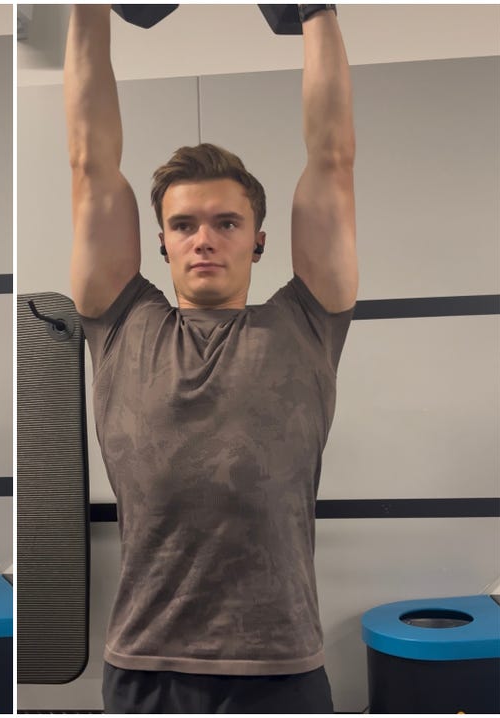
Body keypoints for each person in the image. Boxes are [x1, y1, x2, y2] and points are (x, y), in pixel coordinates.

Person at [63, 4, 356, 713]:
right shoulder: (122, 321)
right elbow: (90, 163)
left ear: (258, 239)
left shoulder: (307, 322)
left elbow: (333, 161)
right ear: (159, 241)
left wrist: (315, 12)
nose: (204, 240)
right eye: (184, 225)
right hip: (148, 666)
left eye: (227, 223)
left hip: (282, 667)